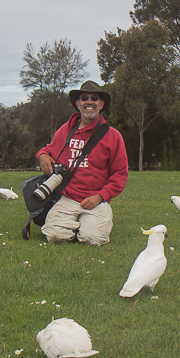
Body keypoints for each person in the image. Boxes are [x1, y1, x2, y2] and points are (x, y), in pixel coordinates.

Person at [35, 80, 128, 246]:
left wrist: (101, 196)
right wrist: (42, 155)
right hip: (67, 198)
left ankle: (86, 226)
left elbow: (120, 174)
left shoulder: (113, 136)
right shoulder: (66, 130)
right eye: (84, 98)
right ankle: (74, 225)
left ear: (101, 104)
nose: (89, 102)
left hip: (96, 200)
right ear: (78, 104)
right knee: (55, 237)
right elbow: (48, 150)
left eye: (94, 98)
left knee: (92, 239)